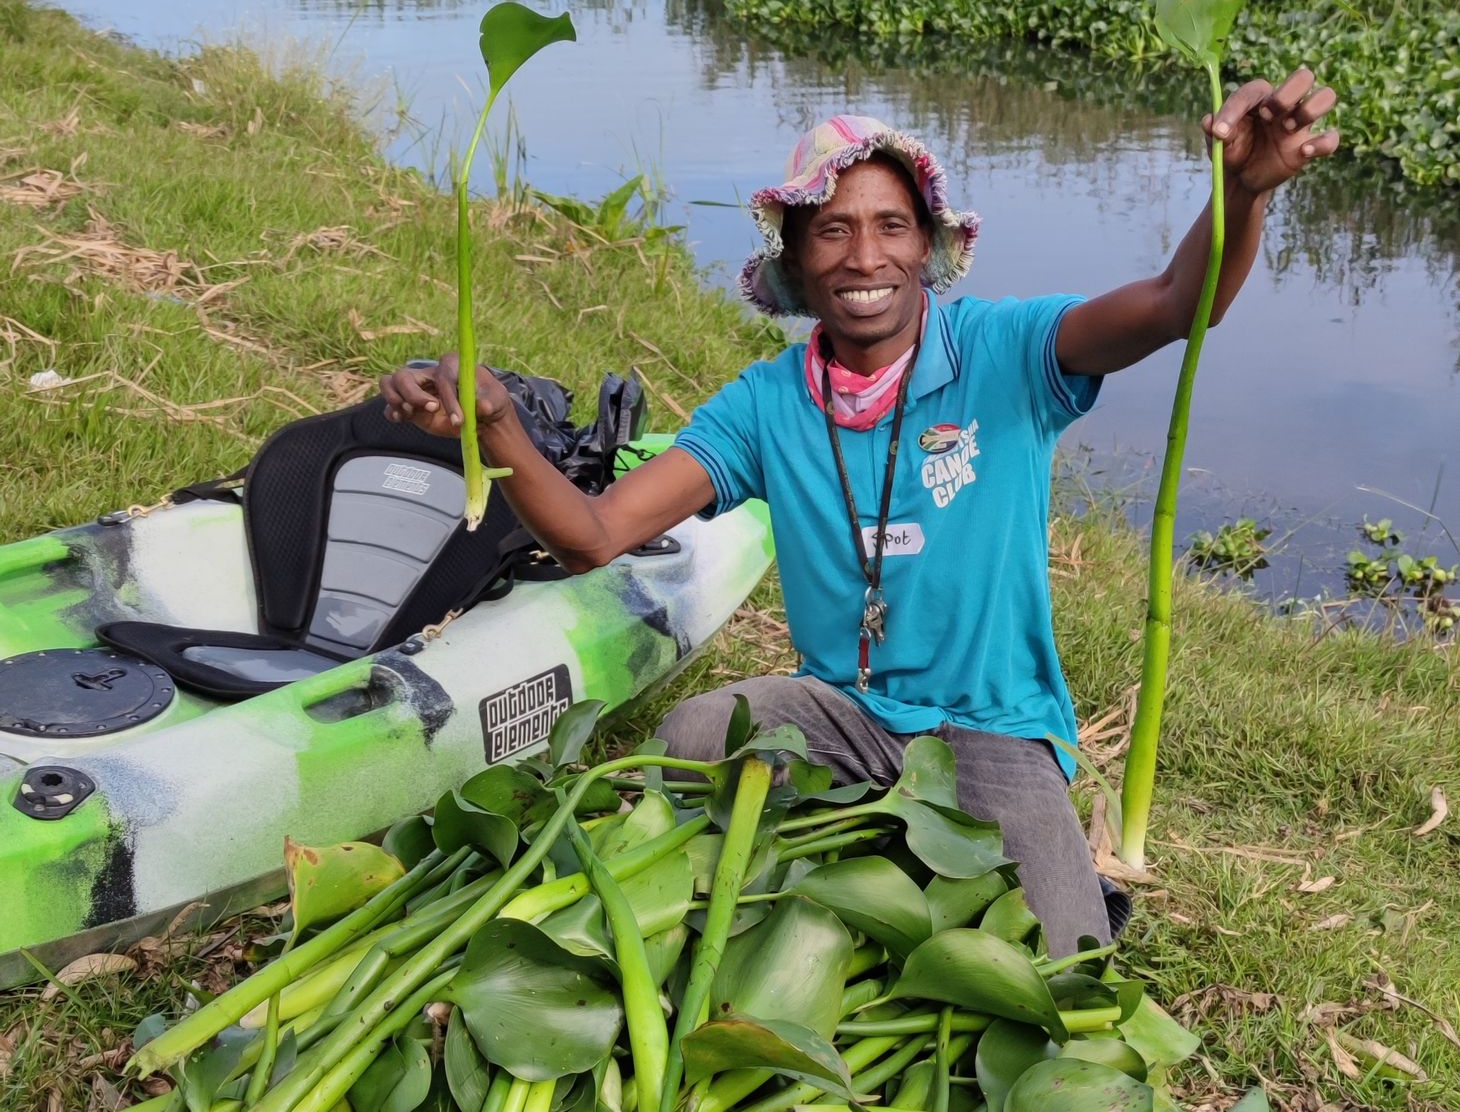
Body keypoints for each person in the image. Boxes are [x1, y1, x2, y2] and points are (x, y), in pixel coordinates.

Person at [382, 74, 1339, 953]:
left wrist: (1243, 194)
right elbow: (591, 536)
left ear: (927, 242)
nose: (864, 256)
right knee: (697, 736)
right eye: (833, 231)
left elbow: (1180, 302)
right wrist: (500, 430)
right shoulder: (764, 406)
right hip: (842, 712)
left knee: (1066, 963)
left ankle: (1001, 873)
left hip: (991, 725)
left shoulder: (1005, 354)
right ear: (797, 259)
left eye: (889, 226)